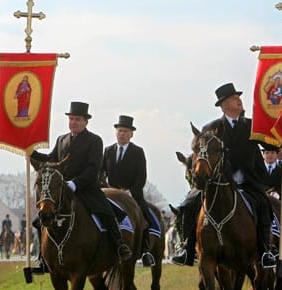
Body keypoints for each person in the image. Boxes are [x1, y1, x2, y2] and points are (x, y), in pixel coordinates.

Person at [172, 83, 277, 269]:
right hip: (217, 181)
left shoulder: (252, 126)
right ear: (224, 105)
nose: (239, 100)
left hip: (247, 180)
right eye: (234, 98)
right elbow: (201, 154)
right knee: (188, 204)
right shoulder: (210, 128)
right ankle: (187, 248)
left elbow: (273, 140)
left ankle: (265, 251)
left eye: (238, 97)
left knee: (264, 204)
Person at [30, 101, 133, 273]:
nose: (74, 122)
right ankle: (43, 258)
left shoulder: (94, 140)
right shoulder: (61, 139)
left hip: (87, 188)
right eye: (71, 119)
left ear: (85, 122)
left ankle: (119, 246)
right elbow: (51, 159)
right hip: (63, 190)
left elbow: (93, 168)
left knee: (106, 211)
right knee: (41, 218)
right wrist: (32, 153)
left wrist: (75, 183)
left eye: (77, 119)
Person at [100, 115, 156, 267]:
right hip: (111, 194)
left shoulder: (138, 152)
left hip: (132, 195)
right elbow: (101, 172)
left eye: (125, 131)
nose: (122, 134)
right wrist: (105, 187)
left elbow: (141, 178)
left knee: (145, 218)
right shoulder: (108, 150)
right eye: (119, 131)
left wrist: (128, 193)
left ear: (131, 134)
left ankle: (145, 251)